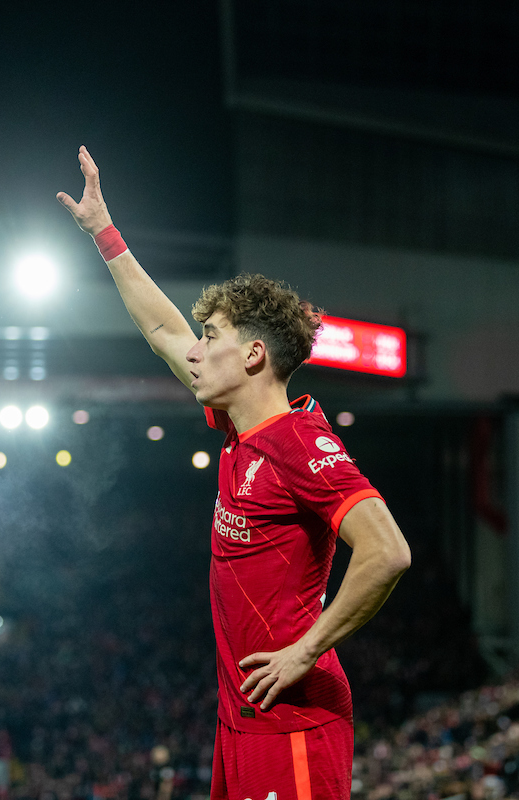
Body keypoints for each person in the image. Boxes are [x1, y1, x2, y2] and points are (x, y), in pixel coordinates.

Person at [58, 146, 411, 800]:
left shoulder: (301, 442)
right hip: (242, 723)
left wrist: (305, 651)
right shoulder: (239, 428)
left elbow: (388, 552)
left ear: (252, 354)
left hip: (294, 725)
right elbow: (162, 327)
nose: (196, 347)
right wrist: (104, 235)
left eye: (211, 335)